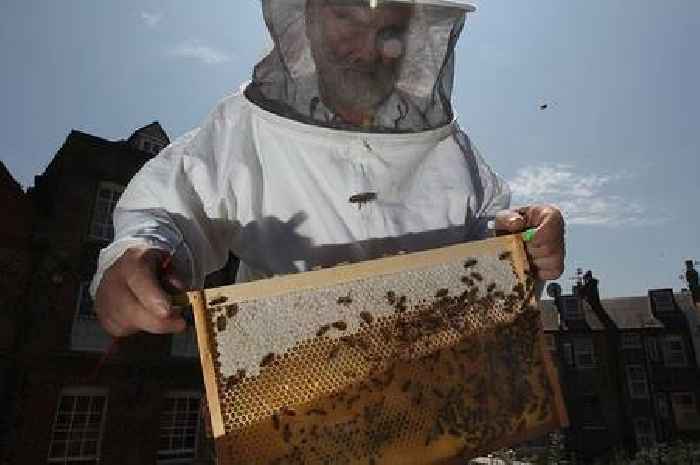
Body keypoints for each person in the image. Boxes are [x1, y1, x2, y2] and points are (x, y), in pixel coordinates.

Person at [91, 0, 565, 338]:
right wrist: (135, 255)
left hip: (427, 394)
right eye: (347, 16)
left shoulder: (446, 148)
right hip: (285, 394)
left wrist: (521, 240)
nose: (371, 48)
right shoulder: (243, 130)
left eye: (392, 29)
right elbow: (172, 205)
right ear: (308, 17)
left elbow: (485, 233)